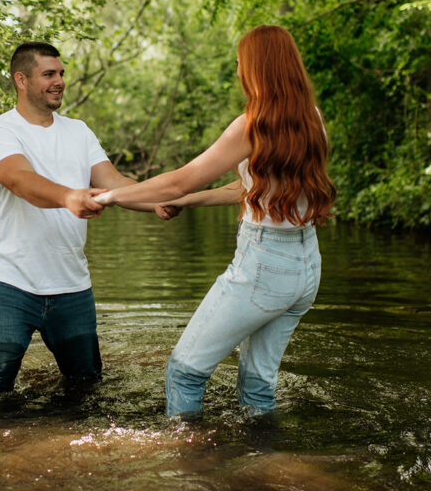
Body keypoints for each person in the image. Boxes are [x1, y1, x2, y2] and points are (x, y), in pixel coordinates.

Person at [94, 25, 336, 419]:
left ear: (257, 69)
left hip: (263, 267)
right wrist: (187, 201)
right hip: (306, 268)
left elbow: (180, 177)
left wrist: (108, 195)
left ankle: (189, 465)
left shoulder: (251, 125)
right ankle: (261, 464)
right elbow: (250, 189)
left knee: (184, 373)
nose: (237, 70)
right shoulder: (311, 119)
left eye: (240, 63)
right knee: (258, 387)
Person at [0, 41, 148, 396]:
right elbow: (20, 180)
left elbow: (115, 183)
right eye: (49, 74)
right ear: (21, 80)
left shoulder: (78, 132)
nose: (60, 81)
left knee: (86, 385)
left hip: (71, 285)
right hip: (7, 280)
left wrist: (159, 198)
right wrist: (69, 197)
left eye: (61, 73)